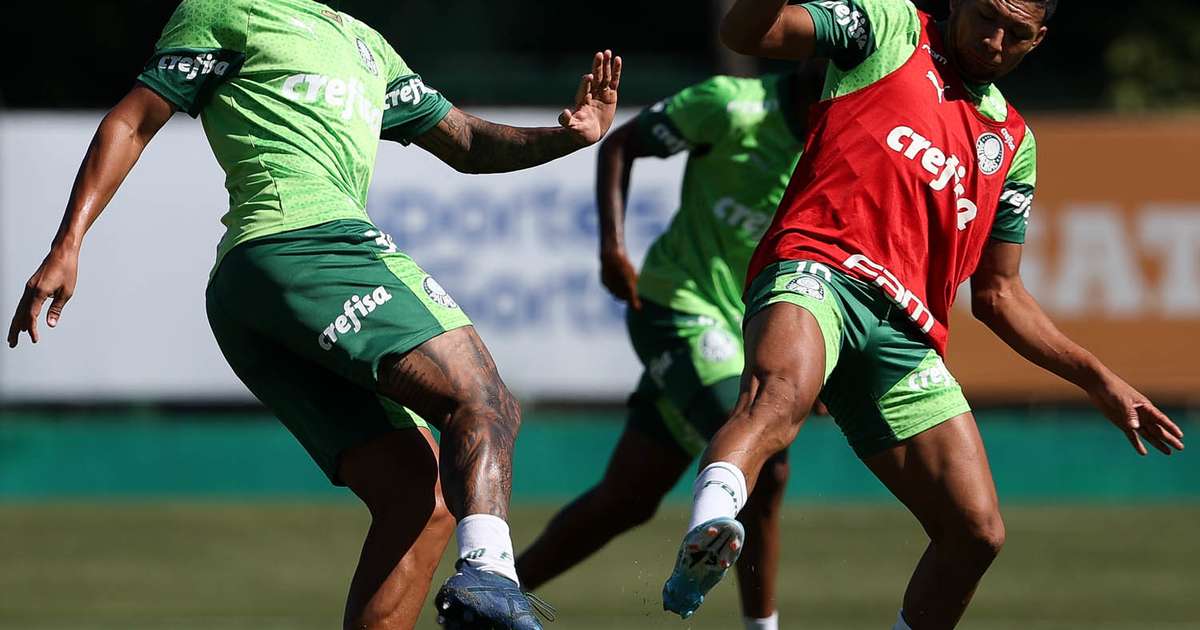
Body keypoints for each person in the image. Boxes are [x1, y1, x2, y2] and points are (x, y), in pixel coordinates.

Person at [5, 0, 621, 628]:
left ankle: (484, 583)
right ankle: (491, 579)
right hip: (303, 245)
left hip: (254, 296)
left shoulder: (365, 43)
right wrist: (68, 244)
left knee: (422, 496)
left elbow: (462, 141)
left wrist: (567, 138)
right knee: (484, 398)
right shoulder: (226, 12)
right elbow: (132, 122)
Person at [660, 1, 1185, 628]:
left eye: (1015, 34)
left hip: (907, 336)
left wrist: (1098, 377)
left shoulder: (1012, 142)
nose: (994, 40)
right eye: (987, 16)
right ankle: (709, 529)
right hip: (818, 269)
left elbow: (999, 294)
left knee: (976, 531)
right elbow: (748, 31)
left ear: (1037, 41)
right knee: (777, 397)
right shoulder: (890, 27)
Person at [516, 68, 821, 630]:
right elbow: (625, 143)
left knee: (626, 499)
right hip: (675, 305)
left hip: (748, 334)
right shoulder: (731, 105)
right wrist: (613, 246)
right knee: (767, 462)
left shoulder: (845, 136)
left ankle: (489, 598)